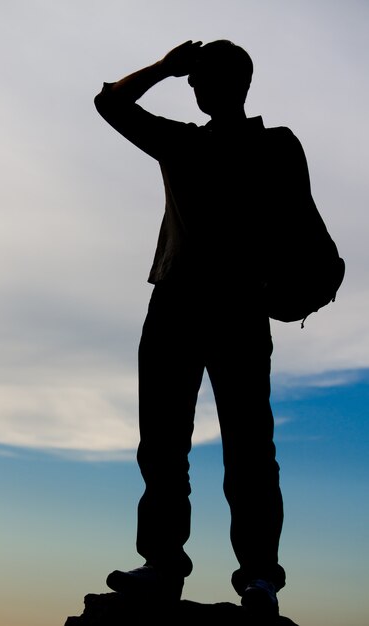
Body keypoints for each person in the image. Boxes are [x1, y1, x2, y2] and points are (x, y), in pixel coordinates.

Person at [94, 39, 309, 615]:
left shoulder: (272, 147)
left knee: (248, 452)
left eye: (200, 78)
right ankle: (165, 566)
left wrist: (165, 66)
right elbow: (107, 104)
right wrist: (168, 68)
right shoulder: (187, 143)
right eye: (193, 79)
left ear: (233, 83)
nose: (194, 88)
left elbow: (306, 228)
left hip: (235, 309)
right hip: (179, 309)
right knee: (166, 447)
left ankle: (258, 576)